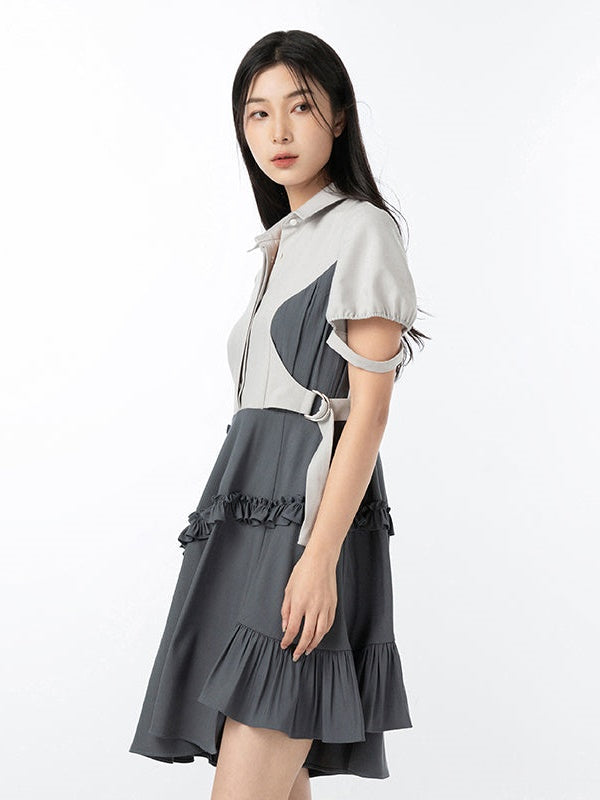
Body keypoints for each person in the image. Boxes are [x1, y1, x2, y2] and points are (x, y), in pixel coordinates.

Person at [129, 29, 428, 800]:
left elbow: (368, 414)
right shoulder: (283, 241)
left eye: (299, 106)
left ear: (339, 115)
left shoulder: (362, 230)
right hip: (246, 522)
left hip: (305, 528)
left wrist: (319, 559)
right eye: (258, 114)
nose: (279, 131)